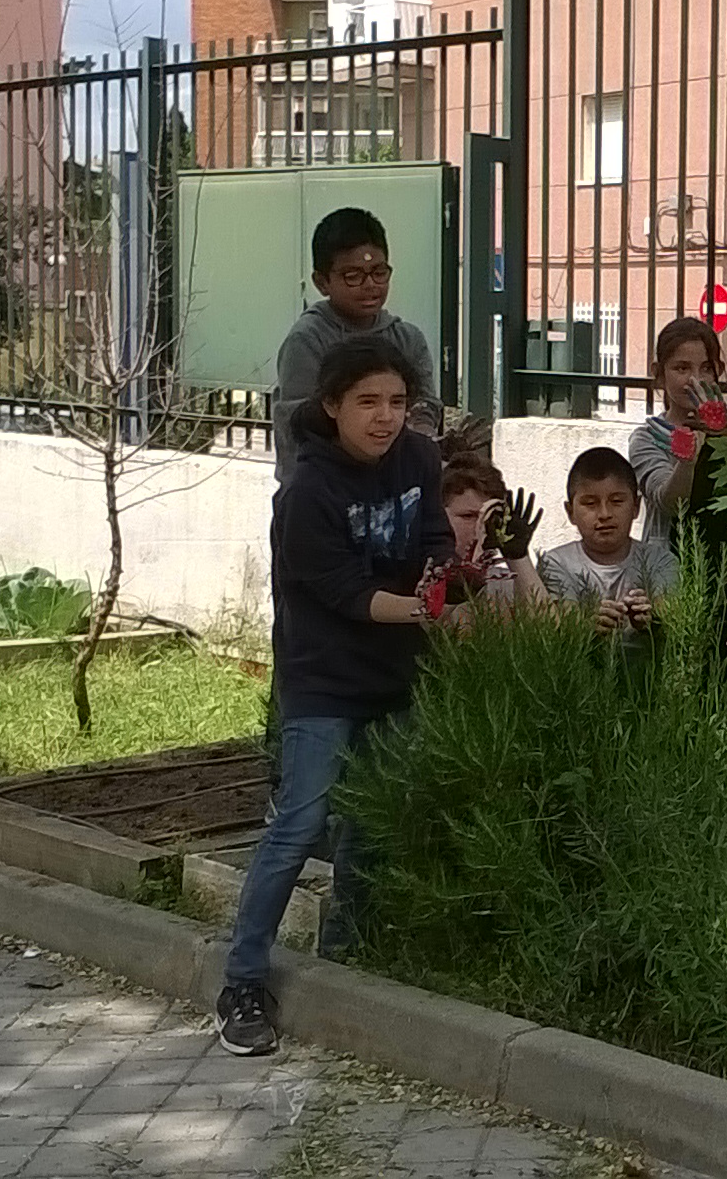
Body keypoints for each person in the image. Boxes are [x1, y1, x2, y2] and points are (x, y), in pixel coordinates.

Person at [217, 335, 454, 1059]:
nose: (385, 418)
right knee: (300, 823)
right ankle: (242, 981)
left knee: (373, 826)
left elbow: (438, 538)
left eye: (397, 402)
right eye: (368, 403)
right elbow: (350, 596)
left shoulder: (419, 458)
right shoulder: (308, 495)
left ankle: (348, 957)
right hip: (323, 680)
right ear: (332, 406)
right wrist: (432, 610)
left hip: (397, 675)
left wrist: (452, 573)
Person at [627, 318, 727, 667]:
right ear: (659, 373)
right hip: (680, 578)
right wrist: (688, 457)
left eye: (705, 368)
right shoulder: (648, 437)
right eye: (681, 368)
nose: (694, 380)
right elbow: (669, 501)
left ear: (719, 372)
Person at [271, 208, 443, 482]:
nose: (370, 285)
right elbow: (296, 426)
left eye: (379, 272)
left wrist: (420, 436)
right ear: (322, 282)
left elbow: (426, 404)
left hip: (394, 489)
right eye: (353, 276)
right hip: (322, 490)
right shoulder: (307, 340)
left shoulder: (408, 338)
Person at [538, 446, 680, 637]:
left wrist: (651, 617)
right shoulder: (555, 563)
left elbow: (674, 623)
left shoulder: (660, 561)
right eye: (590, 504)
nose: (604, 514)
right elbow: (560, 625)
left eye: (616, 501)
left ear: (636, 506)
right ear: (570, 512)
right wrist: (587, 623)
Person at [430, 455, 543, 626]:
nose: (480, 528)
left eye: (489, 518)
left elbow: (549, 631)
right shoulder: (418, 575)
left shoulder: (503, 584)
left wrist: (518, 557)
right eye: (468, 516)